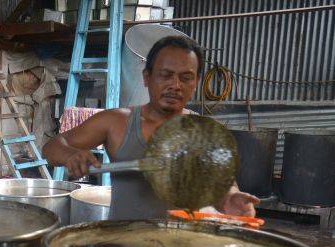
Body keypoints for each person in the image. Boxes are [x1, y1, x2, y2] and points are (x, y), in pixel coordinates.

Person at [42, 36, 260, 219]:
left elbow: (223, 187)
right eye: (166, 75)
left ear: (195, 83)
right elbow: (51, 148)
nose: (175, 85)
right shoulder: (117, 122)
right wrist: (72, 155)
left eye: (185, 78)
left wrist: (231, 200)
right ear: (147, 77)